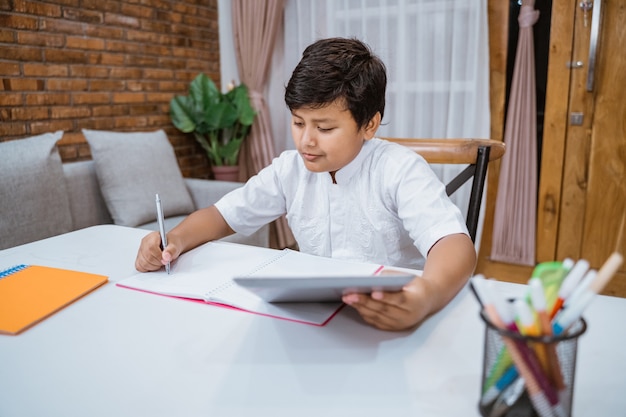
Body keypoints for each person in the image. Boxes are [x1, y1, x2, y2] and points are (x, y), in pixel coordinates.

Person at [135, 37, 477, 331]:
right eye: (298, 122)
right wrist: (174, 240)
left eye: (325, 128)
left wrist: (426, 294)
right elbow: (222, 216)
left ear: (369, 125)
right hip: (315, 318)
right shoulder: (290, 170)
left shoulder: (398, 169)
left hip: (388, 315)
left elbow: (454, 245)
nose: (306, 141)